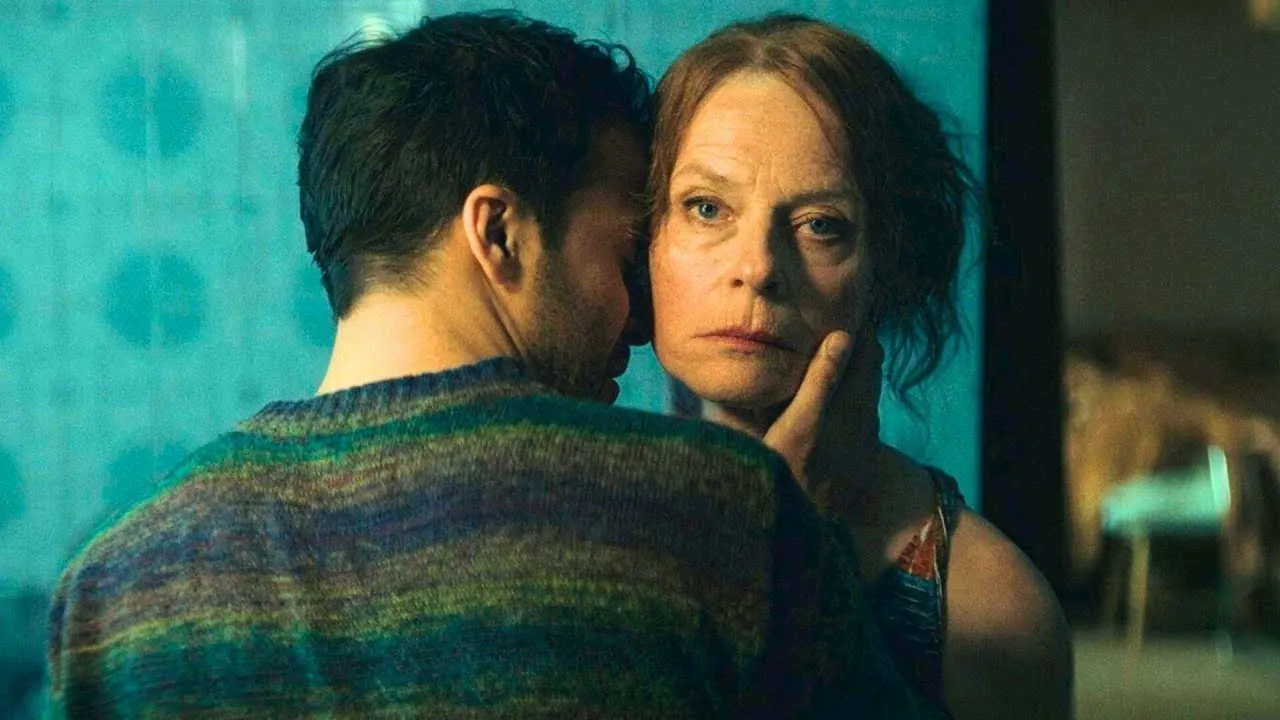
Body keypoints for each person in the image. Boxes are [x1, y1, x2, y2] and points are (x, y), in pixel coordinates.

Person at [47, 12, 932, 718]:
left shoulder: (112, 582)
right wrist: (783, 548)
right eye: (625, 253)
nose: (640, 314)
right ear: (499, 232)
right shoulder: (717, 509)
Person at [645, 14, 1074, 720]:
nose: (757, 267)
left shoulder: (985, 608)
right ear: (647, 237)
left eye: (821, 225)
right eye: (707, 207)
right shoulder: (588, 524)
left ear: (889, 266)